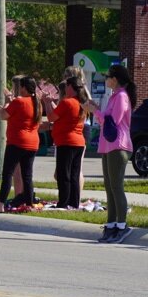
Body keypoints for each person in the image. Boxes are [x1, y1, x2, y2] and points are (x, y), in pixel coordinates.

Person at [84, 64, 136, 243]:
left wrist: (95, 111)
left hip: (118, 146)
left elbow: (112, 121)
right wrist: (96, 108)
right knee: (109, 186)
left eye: (107, 77)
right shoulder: (114, 96)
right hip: (108, 146)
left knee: (116, 186)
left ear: (114, 79)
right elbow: (106, 117)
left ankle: (122, 225)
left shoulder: (122, 96)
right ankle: (111, 224)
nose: (105, 79)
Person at [0, 75, 41, 211]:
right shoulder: (36, 102)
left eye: (20, 86)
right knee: (27, 175)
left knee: (7, 174)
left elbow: (4, 115)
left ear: (24, 88)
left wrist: (7, 103)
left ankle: (0, 204)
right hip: (32, 142)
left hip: (17, 141)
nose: (18, 89)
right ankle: (29, 203)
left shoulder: (19, 101)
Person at [44, 76, 89, 210]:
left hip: (66, 141)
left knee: (64, 174)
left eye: (66, 86)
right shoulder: (81, 102)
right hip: (78, 141)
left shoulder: (67, 102)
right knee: (74, 174)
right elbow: (62, 115)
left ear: (70, 87)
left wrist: (47, 102)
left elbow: (52, 117)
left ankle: (63, 202)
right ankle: (73, 202)